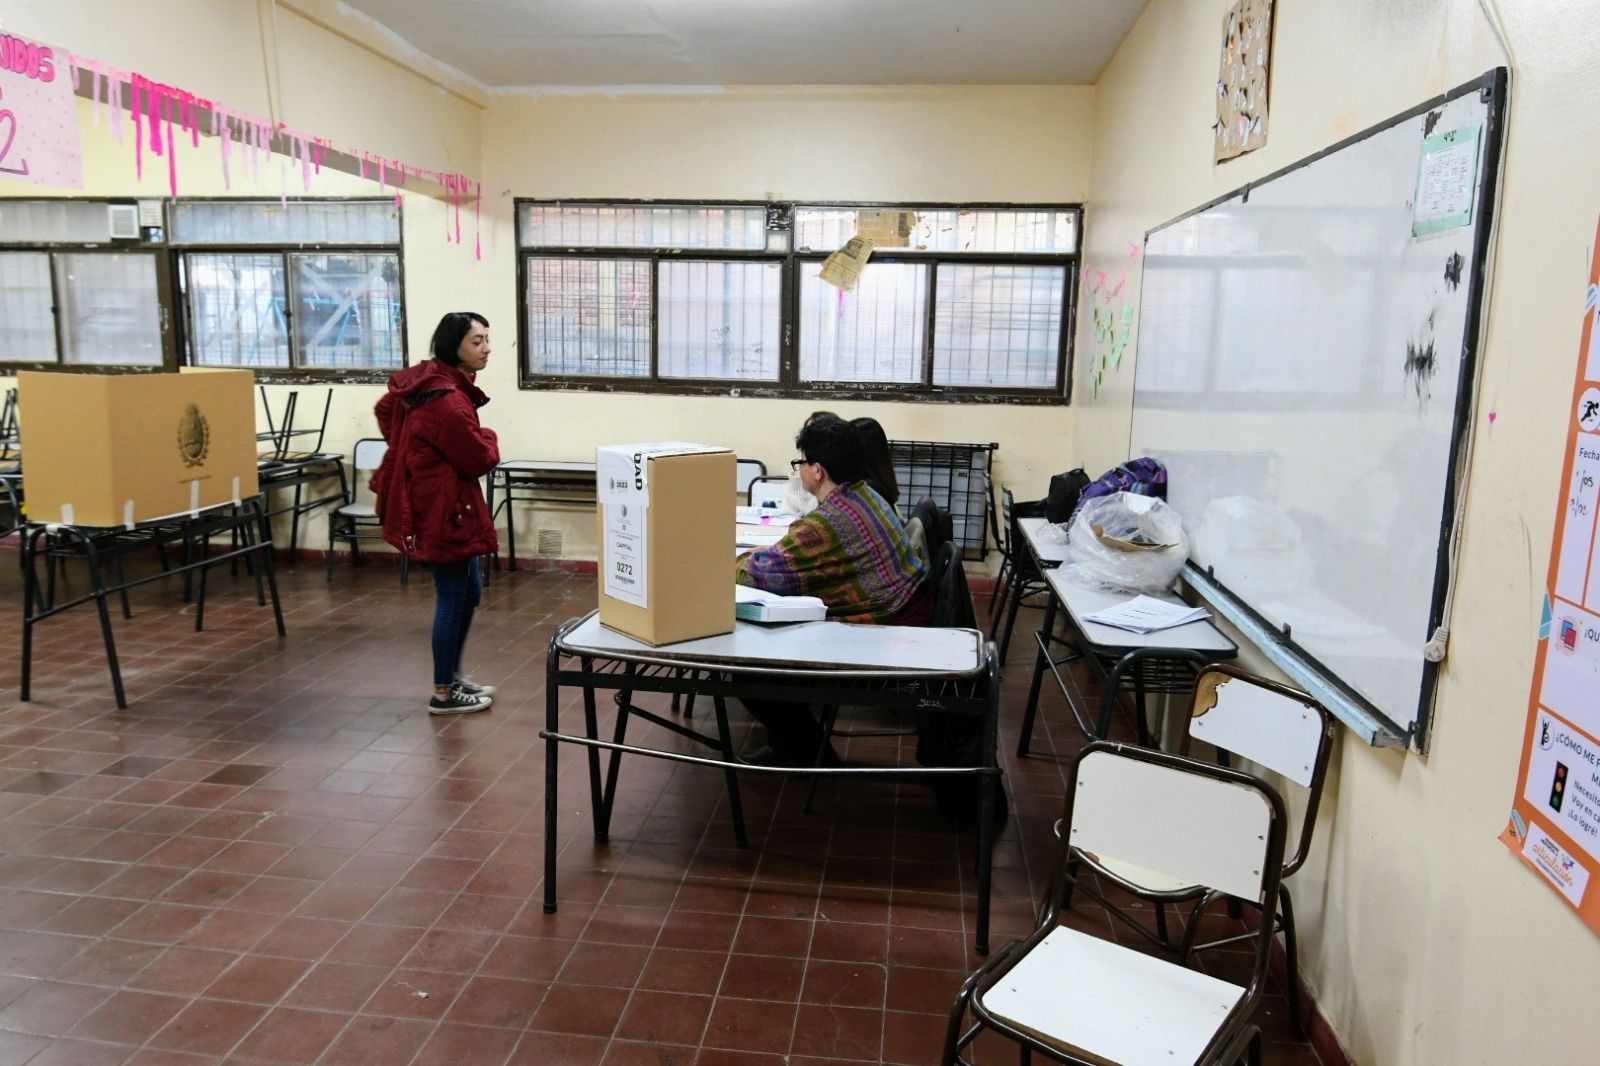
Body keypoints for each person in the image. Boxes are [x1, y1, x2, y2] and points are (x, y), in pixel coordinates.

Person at [735, 413, 930, 764]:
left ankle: (808, 754)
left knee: (748, 670)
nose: (799, 470)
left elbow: (751, 576)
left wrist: (742, 557)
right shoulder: (867, 494)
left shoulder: (825, 525)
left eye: (801, 463)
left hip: (880, 635)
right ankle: (800, 747)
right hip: (900, 616)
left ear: (818, 471)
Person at [373, 312, 500, 715]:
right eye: (476, 341)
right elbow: (479, 457)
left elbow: (385, 410)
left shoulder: (430, 381)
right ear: (453, 346)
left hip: (448, 501)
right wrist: (489, 437)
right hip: (443, 508)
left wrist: (413, 450)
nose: (486, 348)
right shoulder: (445, 399)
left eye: (486, 339)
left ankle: (453, 676)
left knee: (469, 591)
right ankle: (444, 692)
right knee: (452, 595)